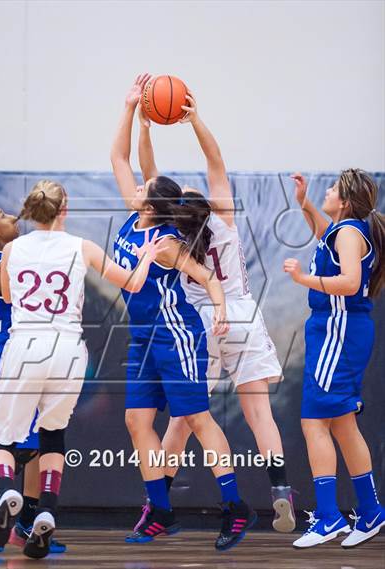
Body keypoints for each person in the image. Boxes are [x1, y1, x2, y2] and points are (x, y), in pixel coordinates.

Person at [134, 91, 296, 533]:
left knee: (185, 421)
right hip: (241, 313)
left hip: (201, 324)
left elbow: (151, 178)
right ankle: (280, 489)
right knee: (260, 414)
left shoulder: (171, 234)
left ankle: (158, 505)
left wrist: (145, 127)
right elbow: (216, 158)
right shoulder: (222, 215)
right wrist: (195, 120)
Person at [0, 180, 164, 558]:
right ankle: (45, 509)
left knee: (2, 439)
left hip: (25, 345)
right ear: (65, 209)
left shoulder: (13, 249)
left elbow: (10, 297)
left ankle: (4, 491)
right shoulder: (83, 246)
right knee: (53, 436)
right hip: (67, 350)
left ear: (31, 209)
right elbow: (133, 282)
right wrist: (146, 256)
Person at [111, 75, 256, 551]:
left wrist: (218, 311)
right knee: (137, 422)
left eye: (144, 186)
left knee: (197, 419)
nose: (135, 184)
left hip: (177, 337)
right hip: (143, 339)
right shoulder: (137, 216)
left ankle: (235, 507)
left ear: (151, 204)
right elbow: (121, 158)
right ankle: (162, 513)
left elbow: (210, 278)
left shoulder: (167, 241)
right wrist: (135, 110)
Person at [283, 170, 385, 548]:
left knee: (314, 423)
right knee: (342, 424)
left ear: (344, 201)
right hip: (340, 331)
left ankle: (328, 517)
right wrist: (305, 203)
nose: (327, 191)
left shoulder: (348, 233)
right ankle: (371, 510)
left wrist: (302, 280)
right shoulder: (345, 230)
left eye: (331, 189)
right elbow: (323, 233)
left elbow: (348, 282)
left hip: (338, 332)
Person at [0, 201, 65, 554]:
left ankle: (24, 518)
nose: (12, 218)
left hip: (26, 354)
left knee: (33, 443)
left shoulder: (11, 256)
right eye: (4, 217)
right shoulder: (4, 261)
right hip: (12, 354)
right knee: (21, 442)